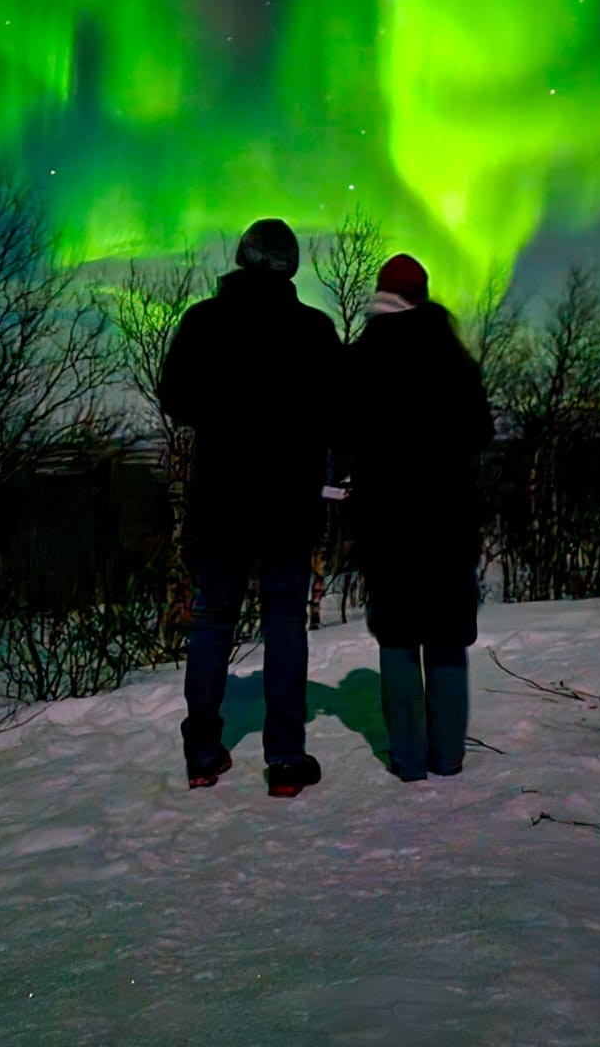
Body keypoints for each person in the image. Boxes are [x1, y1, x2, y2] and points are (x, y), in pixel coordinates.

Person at [158, 218, 341, 797]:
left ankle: (202, 753)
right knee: (284, 621)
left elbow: (173, 397)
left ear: (242, 258)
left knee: (213, 619)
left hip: (221, 500)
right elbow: (338, 413)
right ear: (290, 267)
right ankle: (285, 759)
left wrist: (221, 420)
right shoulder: (313, 330)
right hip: (288, 502)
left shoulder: (204, 322)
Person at [347, 253, 494, 782]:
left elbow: (340, 433)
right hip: (449, 520)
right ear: (423, 296)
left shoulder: (360, 360)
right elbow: (481, 432)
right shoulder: (455, 361)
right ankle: (448, 756)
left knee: (398, 638)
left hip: (385, 522)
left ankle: (408, 761)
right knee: (447, 637)